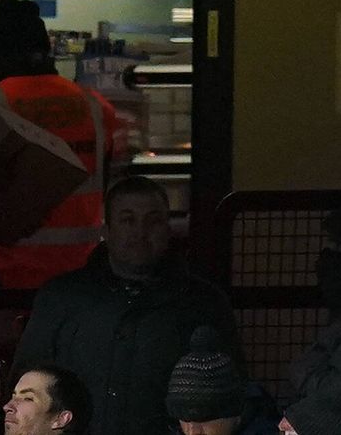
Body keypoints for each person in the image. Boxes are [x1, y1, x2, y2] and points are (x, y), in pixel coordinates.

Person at [15, 182, 237, 435]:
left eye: (152, 221)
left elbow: (232, 395)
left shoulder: (202, 302)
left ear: (167, 229)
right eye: (128, 220)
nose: (140, 232)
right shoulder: (62, 298)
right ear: (107, 230)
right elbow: (26, 382)